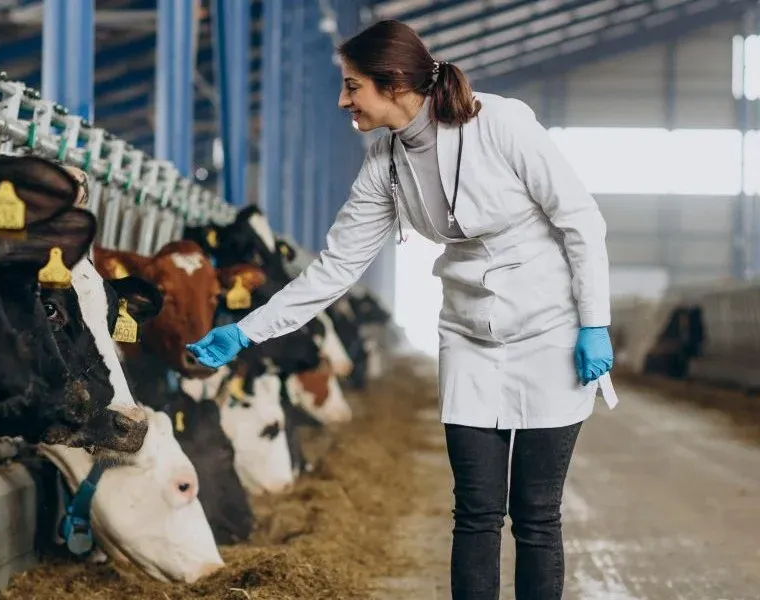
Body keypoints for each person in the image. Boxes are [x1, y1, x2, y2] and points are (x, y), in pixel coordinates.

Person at [186, 19, 617, 600]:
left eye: (352, 86)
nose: (343, 101)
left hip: (551, 330)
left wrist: (594, 321)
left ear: (392, 84)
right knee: (476, 511)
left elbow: (580, 220)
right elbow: (334, 269)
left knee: (537, 513)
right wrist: (245, 331)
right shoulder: (384, 164)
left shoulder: (501, 123)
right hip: (469, 335)